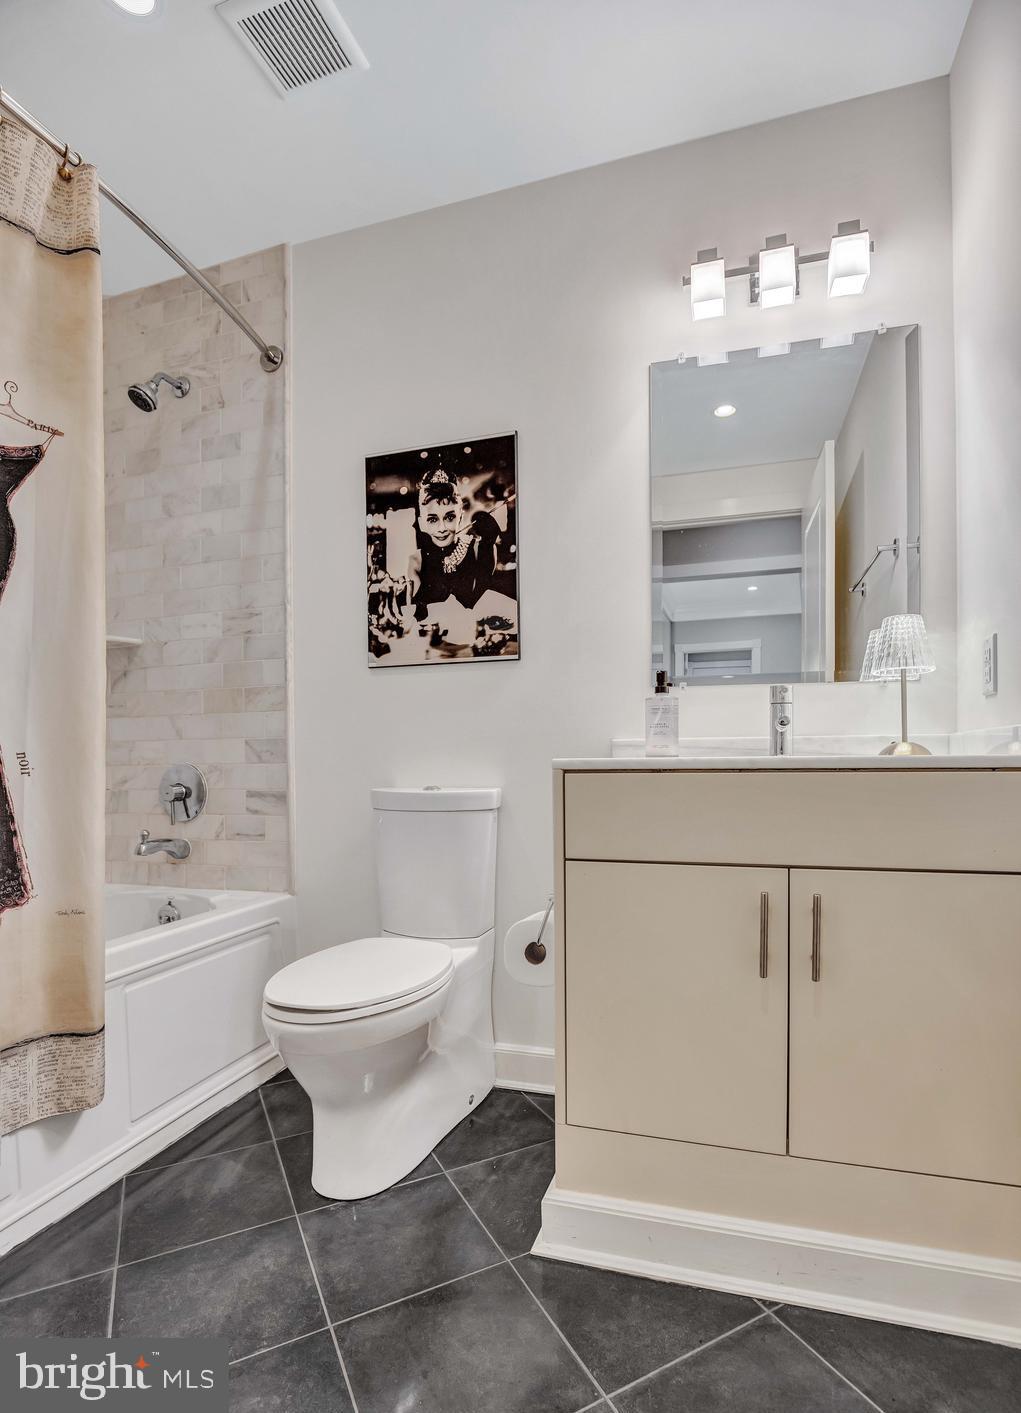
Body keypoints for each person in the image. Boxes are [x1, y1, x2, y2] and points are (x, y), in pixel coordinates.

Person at [407, 465, 501, 619]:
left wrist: (488, 545)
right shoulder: (417, 561)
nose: (442, 528)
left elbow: (485, 599)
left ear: (461, 517)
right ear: (422, 523)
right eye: (432, 519)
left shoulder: (478, 548)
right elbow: (413, 614)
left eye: (450, 517)